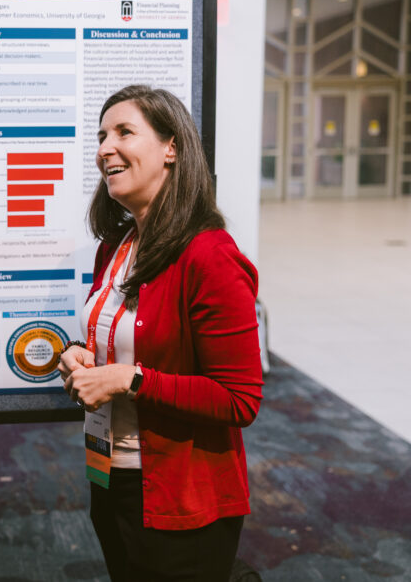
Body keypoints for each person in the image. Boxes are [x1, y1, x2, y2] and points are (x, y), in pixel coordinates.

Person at [58, 85, 263, 581]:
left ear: (171, 148)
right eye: (101, 135)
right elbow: (118, 337)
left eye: (124, 132)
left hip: (181, 499)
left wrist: (130, 380)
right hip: (111, 476)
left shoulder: (209, 256)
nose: (105, 147)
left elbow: (240, 399)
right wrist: (78, 355)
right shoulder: (119, 244)